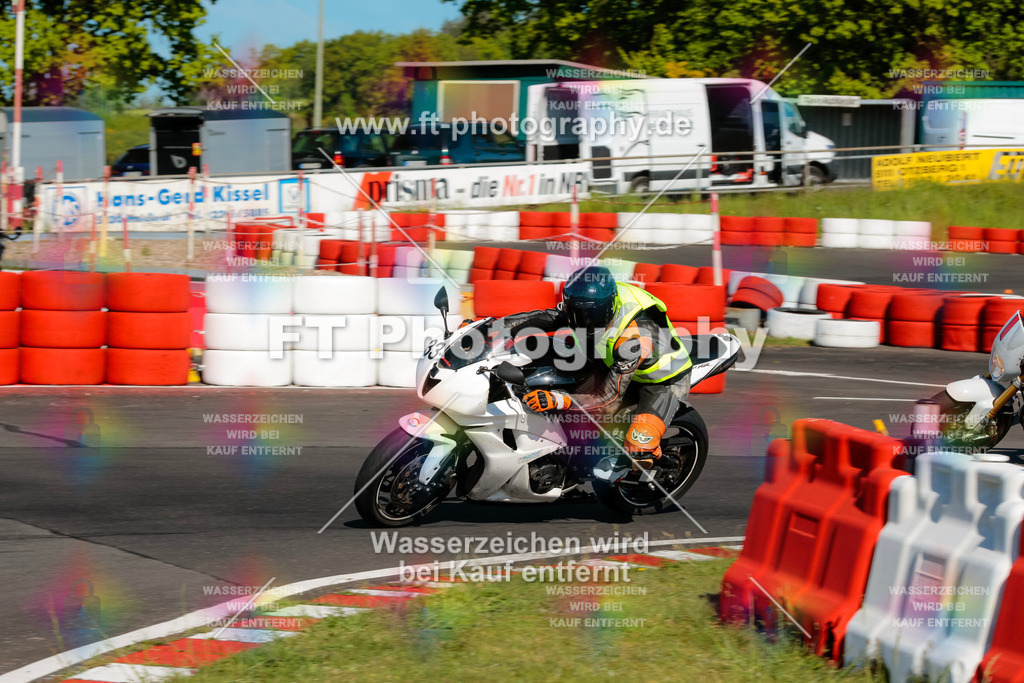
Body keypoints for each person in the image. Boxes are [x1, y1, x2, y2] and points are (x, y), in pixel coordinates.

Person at [500, 265, 692, 469]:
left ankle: (652, 463)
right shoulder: (588, 301)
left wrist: (559, 399)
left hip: (660, 380)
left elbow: (608, 400)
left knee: (638, 447)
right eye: (577, 314)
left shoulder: (633, 339)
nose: (584, 323)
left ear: (609, 308)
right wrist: (491, 327)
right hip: (608, 359)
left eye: (592, 316)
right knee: (543, 362)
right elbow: (549, 317)